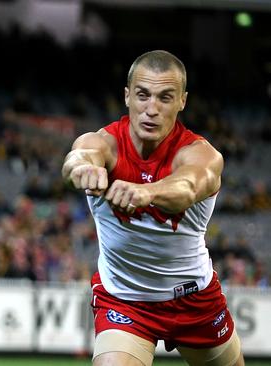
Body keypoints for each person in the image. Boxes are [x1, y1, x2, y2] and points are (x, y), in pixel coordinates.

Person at [62, 50, 244, 366]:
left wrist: (146, 192)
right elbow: (78, 157)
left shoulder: (201, 154)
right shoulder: (103, 144)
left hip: (195, 300)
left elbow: (187, 187)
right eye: (143, 96)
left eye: (165, 98)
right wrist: (82, 168)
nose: (151, 109)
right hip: (125, 301)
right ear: (127, 96)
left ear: (182, 101)